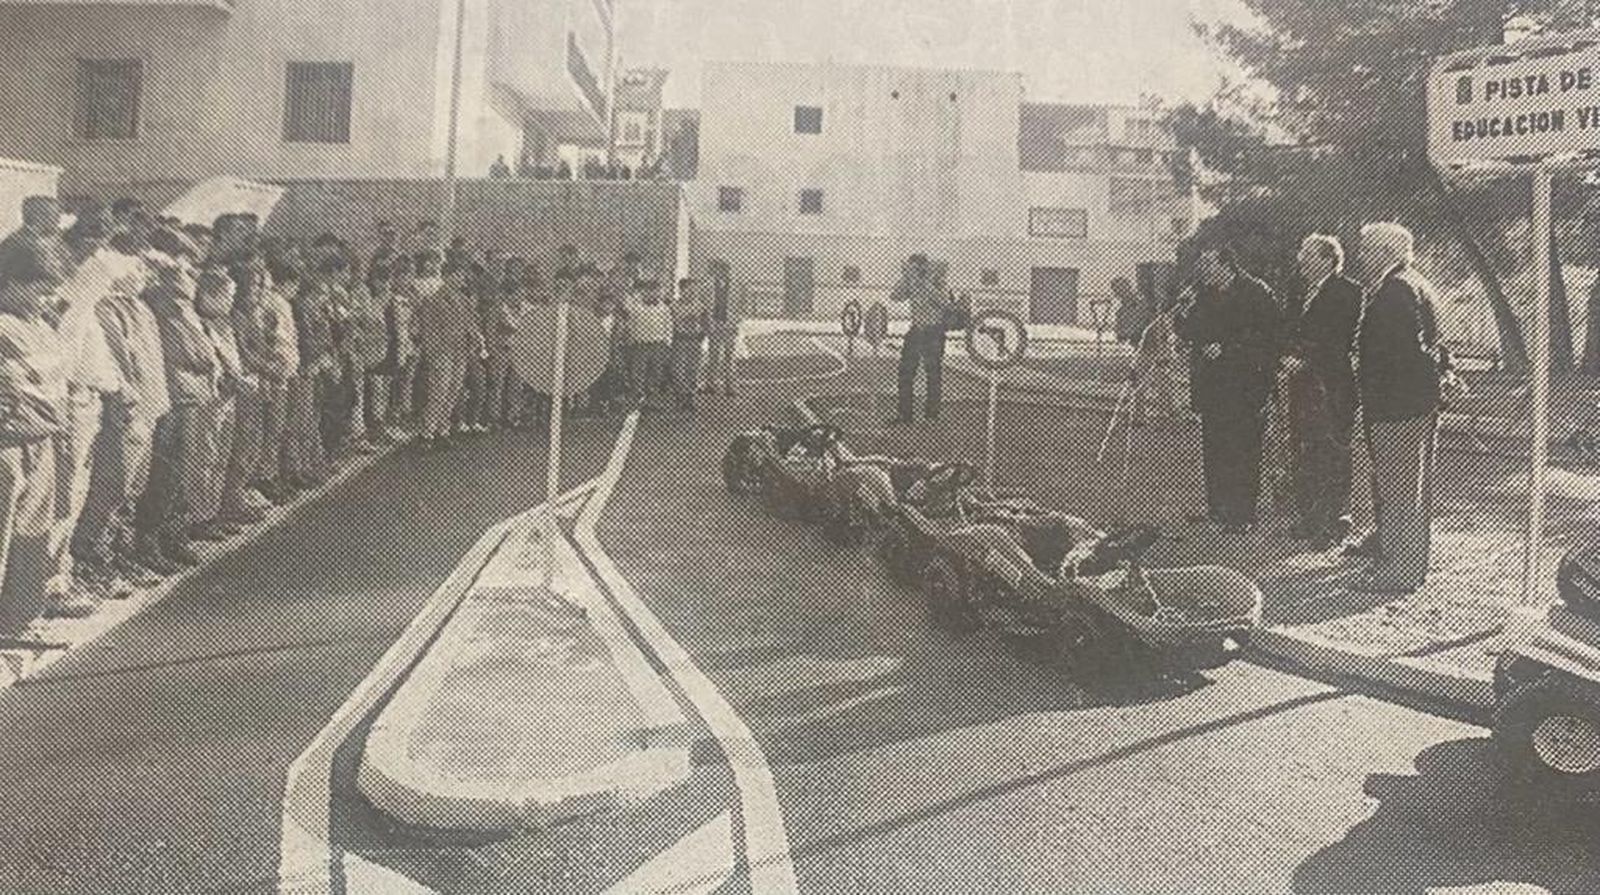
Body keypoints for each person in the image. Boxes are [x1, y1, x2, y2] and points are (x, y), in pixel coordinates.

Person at [1348, 223, 1447, 593]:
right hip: (1413, 405)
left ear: (1387, 252)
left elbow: (1408, 354)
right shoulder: (1415, 283)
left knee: (1399, 492)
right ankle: (1407, 563)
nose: (1361, 255)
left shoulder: (1395, 291)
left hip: (1397, 408)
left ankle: (1399, 572)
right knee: (1411, 491)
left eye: (1368, 248)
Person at [75, 241, 170, 586]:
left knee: (133, 489)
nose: (143, 273)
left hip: (149, 408)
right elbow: (120, 366)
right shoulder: (107, 310)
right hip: (129, 413)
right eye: (136, 267)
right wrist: (130, 409)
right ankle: (96, 560)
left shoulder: (139, 308)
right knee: (111, 490)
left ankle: (120, 554)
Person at [0, 272, 86, 632]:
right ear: (11, 284)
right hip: (11, 438)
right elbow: (25, 384)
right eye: (37, 287)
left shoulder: (40, 327)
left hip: (43, 436)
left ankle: (19, 617)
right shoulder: (5, 327)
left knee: (34, 528)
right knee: (6, 529)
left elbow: (58, 376)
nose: (45, 297)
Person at [1173, 247, 1280, 532]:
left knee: (1243, 450)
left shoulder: (1256, 293)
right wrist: (1183, 311)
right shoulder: (1203, 295)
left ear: (1226, 265)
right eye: (1201, 264)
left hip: (1246, 386)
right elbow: (1186, 331)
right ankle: (1218, 510)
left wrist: (1228, 349)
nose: (1202, 270)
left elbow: (1268, 338)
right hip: (1213, 387)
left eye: (1208, 264)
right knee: (1215, 448)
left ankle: (1242, 515)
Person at [137, 250, 219, 571]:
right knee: (167, 472)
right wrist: (206, 359)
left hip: (189, 399)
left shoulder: (182, 308)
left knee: (182, 470)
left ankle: (173, 535)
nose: (192, 275)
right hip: (176, 401)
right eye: (184, 270)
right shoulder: (168, 309)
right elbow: (196, 353)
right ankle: (151, 540)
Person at [1282, 235, 1363, 549]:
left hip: (1332, 386)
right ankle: (1309, 516)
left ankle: (1334, 520)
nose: (1301, 260)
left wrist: (1304, 359)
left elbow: (1337, 339)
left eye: (1307, 254)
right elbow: (1288, 327)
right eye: (1301, 253)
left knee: (1333, 452)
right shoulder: (1298, 290)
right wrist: (1286, 354)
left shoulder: (1349, 292)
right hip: (1301, 385)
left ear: (1328, 260)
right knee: (1306, 449)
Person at [229, 255, 298, 507]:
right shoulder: (237, 316)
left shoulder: (260, 313)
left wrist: (276, 364)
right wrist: (270, 368)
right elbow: (244, 354)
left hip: (269, 380)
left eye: (261, 285)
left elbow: (268, 344)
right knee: (248, 438)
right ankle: (237, 492)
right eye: (253, 285)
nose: (258, 291)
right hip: (251, 382)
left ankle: (260, 480)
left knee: (270, 433)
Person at [416, 258, 481, 446]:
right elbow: (428, 330)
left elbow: (471, 323)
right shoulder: (433, 300)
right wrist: (433, 353)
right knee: (439, 391)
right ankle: (427, 432)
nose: (461, 279)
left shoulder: (463, 299)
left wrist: (476, 338)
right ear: (445, 277)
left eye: (462, 275)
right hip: (442, 351)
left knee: (453, 390)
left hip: (459, 350)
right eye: (457, 275)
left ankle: (442, 429)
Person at [890, 254, 950, 426]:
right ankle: (905, 414)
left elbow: (943, 302)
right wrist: (906, 277)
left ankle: (932, 415)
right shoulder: (912, 281)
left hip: (934, 330)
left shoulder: (937, 279)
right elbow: (895, 296)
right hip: (916, 330)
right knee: (905, 373)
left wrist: (925, 283)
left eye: (916, 268)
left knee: (933, 374)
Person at [0, 196, 67, 292]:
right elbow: (55, 279)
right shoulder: (25, 244)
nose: (59, 221)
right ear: (38, 217)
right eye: (55, 216)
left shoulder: (23, 238)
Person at [625, 279, 673, 410]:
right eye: (650, 291)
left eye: (656, 291)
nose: (653, 293)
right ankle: (638, 399)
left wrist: (667, 343)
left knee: (656, 372)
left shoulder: (664, 308)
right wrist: (632, 340)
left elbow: (668, 326)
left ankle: (652, 399)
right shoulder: (636, 307)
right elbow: (631, 325)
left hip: (657, 344)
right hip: (640, 345)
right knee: (638, 373)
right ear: (644, 292)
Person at [705, 260, 745, 397]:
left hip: (729, 325)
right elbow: (704, 305)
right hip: (714, 324)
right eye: (716, 271)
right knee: (713, 356)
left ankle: (730, 386)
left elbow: (742, 305)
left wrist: (737, 321)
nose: (718, 273)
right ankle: (711, 384)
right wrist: (708, 324)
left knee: (729, 357)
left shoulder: (736, 286)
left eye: (721, 270)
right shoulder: (708, 286)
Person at [671, 277, 707, 410]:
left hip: (694, 341)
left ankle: (690, 398)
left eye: (694, 289)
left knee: (693, 370)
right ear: (681, 290)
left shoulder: (700, 305)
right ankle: (680, 396)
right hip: (680, 341)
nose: (691, 291)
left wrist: (701, 336)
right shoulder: (674, 306)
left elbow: (705, 324)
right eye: (688, 289)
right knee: (678, 371)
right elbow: (670, 325)